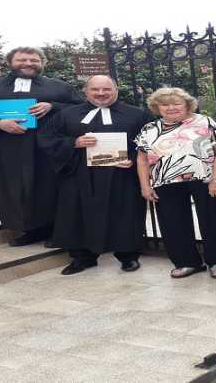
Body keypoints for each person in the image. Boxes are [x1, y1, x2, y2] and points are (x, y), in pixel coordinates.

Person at [0, 47, 82, 246]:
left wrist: (53, 106)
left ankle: (54, 230)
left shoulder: (59, 87)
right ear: (10, 62)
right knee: (14, 189)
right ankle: (27, 229)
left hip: (47, 148)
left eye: (34, 60)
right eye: (22, 60)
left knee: (49, 188)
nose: (28, 64)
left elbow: (81, 107)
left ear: (42, 63)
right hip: (8, 148)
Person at [37, 75, 152, 274]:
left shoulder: (137, 115)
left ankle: (128, 256)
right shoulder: (66, 115)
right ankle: (83, 258)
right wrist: (73, 143)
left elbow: (150, 141)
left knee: (124, 214)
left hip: (121, 175)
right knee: (77, 214)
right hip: (79, 174)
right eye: (95, 90)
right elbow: (47, 138)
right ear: (86, 92)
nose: (101, 94)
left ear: (116, 90)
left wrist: (133, 159)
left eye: (106, 89)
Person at [135, 87, 216, 279]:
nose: (171, 107)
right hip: (165, 181)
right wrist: (145, 186)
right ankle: (187, 262)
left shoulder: (205, 122)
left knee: (213, 219)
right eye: (165, 104)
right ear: (157, 107)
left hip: (206, 179)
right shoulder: (149, 129)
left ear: (187, 104)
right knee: (173, 222)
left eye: (176, 103)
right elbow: (142, 160)